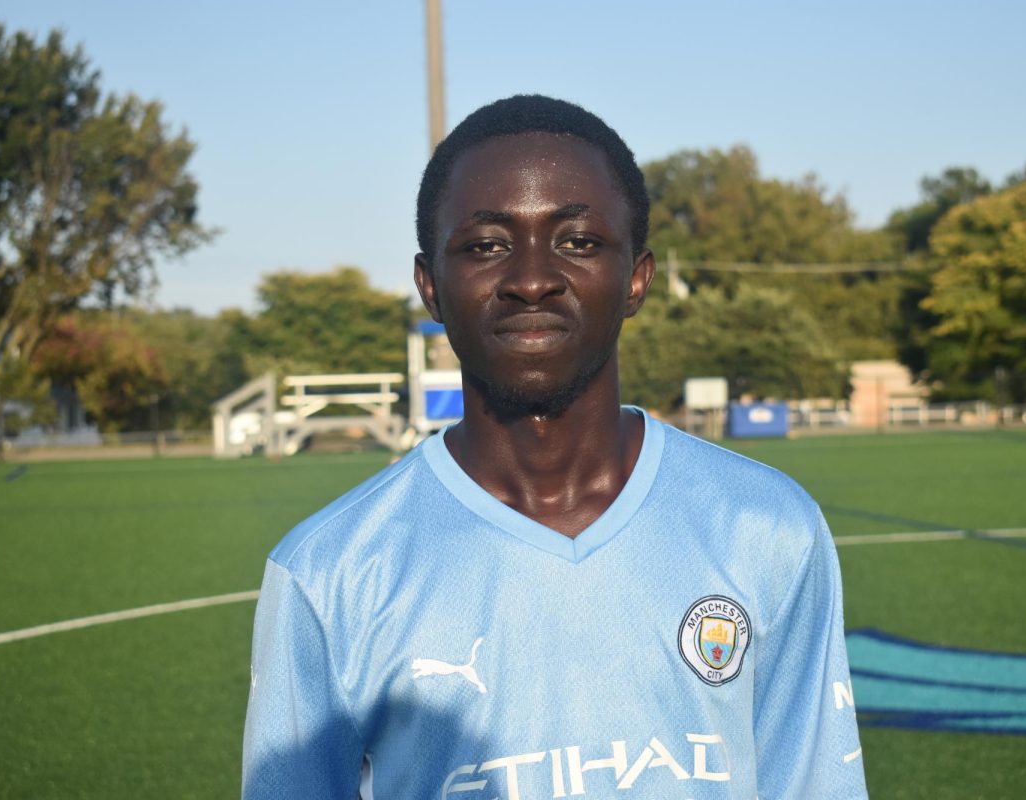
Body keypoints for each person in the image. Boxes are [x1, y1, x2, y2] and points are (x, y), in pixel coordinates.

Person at [242, 94, 867, 799]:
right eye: (486, 246)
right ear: (430, 286)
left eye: (577, 241)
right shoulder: (329, 572)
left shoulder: (768, 526)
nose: (532, 279)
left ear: (635, 278)